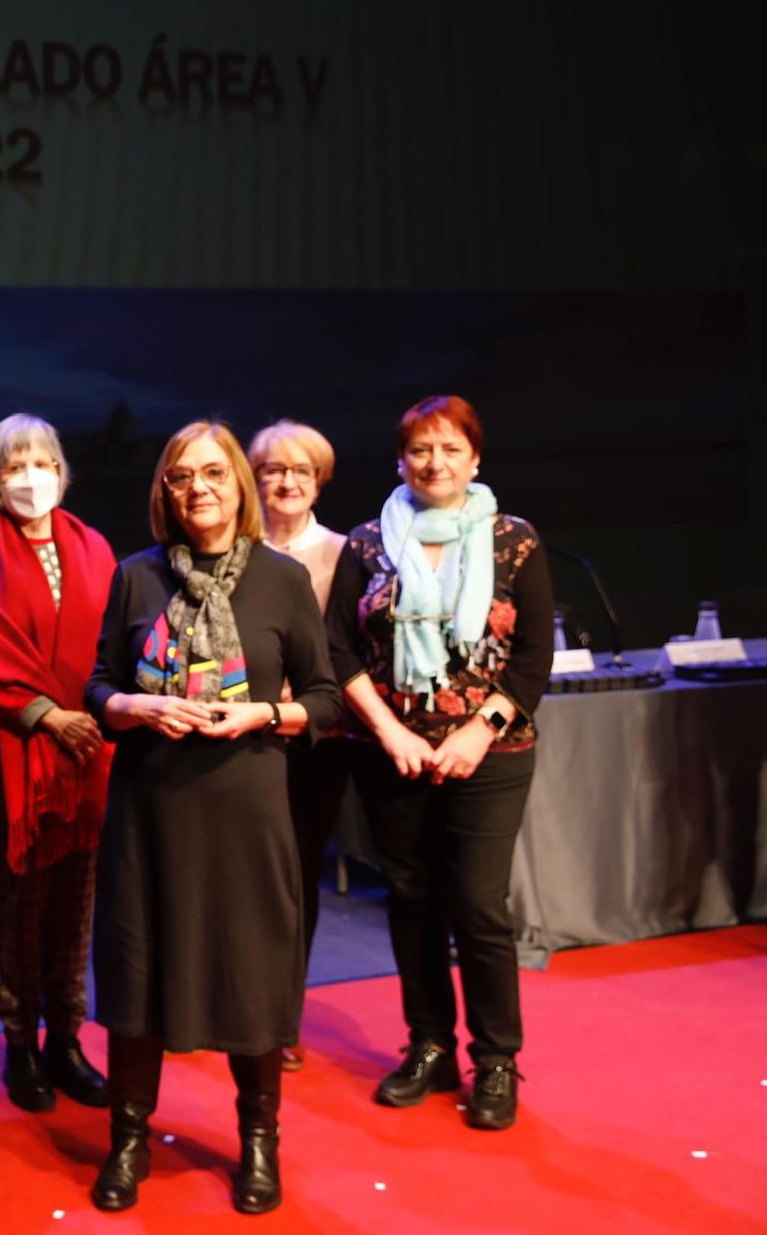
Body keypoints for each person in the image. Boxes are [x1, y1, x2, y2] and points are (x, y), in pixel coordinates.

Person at [83, 421, 341, 1216]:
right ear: (165, 491)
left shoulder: (283, 579)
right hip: (151, 811)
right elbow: (98, 684)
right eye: (180, 477)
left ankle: (258, 1140)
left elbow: (325, 700)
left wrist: (263, 714)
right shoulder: (136, 577)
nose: (198, 488)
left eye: (213, 474)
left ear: (240, 486)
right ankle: (129, 1138)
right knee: (138, 970)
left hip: (248, 808)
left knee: (252, 973)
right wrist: (128, 703)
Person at [324, 396, 551, 1131]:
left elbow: (534, 656)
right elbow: (337, 650)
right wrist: (390, 730)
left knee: (479, 906)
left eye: (450, 448)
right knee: (412, 901)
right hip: (392, 750)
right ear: (400, 460)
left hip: (489, 751)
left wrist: (477, 731)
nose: (435, 462)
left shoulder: (515, 540)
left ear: (475, 459)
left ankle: (494, 1059)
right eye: (420, 449)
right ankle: (428, 1043)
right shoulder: (367, 545)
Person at [0, 414, 117, 1113]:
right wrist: (47, 713)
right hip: (13, 743)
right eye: (15, 465)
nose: (30, 477)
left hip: (90, 746)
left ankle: (66, 1037)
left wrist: (92, 713)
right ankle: (18, 1040)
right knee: (23, 894)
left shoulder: (93, 544)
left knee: (78, 893)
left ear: (61, 470)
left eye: (42, 462)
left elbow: (113, 635)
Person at [246, 420, 351, 1072]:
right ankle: (226, 1004)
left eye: (300, 471)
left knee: (294, 880)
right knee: (235, 875)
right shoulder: (229, 546)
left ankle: (282, 1014)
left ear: (319, 480)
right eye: (273, 470)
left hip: (312, 740)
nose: (286, 482)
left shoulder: (347, 552)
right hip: (235, 738)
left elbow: (349, 653)